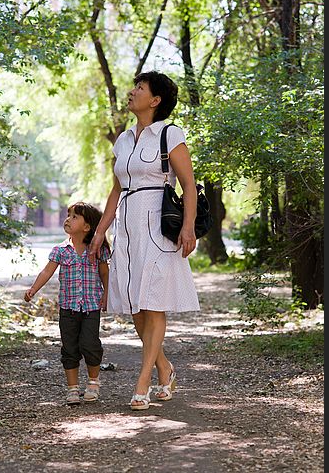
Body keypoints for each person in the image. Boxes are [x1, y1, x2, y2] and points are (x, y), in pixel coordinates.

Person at [89, 70, 200, 411]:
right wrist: (100, 231)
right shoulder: (123, 140)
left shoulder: (169, 134)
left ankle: (143, 383)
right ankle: (164, 368)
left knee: (153, 301)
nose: (132, 91)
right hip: (128, 226)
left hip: (158, 222)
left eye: (140, 87)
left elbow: (189, 184)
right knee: (137, 305)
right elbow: (117, 188)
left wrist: (189, 226)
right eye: (134, 85)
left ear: (155, 100)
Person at [24, 202, 110, 405]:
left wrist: (107, 293)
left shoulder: (96, 249)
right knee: (69, 348)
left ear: (87, 226)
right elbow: (47, 271)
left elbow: (104, 272)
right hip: (68, 308)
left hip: (91, 307)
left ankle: (93, 382)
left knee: (90, 344)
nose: (67, 219)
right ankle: (72, 389)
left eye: (74, 217)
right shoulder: (60, 250)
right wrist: (33, 289)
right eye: (68, 215)